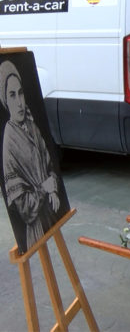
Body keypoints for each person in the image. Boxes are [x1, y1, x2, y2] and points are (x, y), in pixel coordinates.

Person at [0, 60, 60, 251]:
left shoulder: (31, 126)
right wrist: (44, 188)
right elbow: (24, 208)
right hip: (36, 229)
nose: (19, 101)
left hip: (51, 216)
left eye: (21, 93)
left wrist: (53, 188)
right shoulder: (9, 142)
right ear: (5, 100)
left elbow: (49, 164)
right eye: (12, 95)